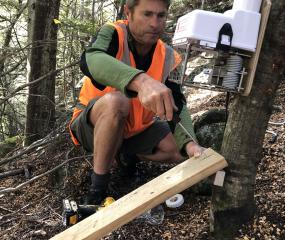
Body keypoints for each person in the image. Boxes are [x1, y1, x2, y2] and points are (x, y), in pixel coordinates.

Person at [69, 0, 206, 205]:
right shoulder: (114, 33)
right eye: (147, 14)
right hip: (91, 126)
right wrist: (141, 81)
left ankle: (126, 155)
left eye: (161, 16)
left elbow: (177, 103)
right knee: (117, 102)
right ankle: (97, 189)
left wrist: (191, 144)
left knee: (176, 150)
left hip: (134, 130)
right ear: (128, 12)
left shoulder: (168, 55)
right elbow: (90, 60)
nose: (154, 23)